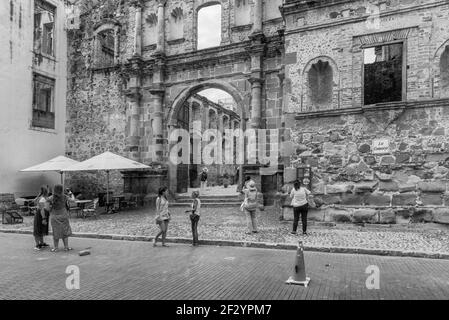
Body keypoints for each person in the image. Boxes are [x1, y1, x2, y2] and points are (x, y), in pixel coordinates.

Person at [46, 184, 73, 252]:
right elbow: (73, 200)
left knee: (56, 231)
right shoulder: (65, 196)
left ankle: (56, 248)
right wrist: (71, 193)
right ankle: (66, 247)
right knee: (65, 231)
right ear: (62, 189)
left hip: (54, 216)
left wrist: (51, 208)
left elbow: (47, 208)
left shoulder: (50, 198)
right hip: (64, 215)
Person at [32, 186, 50, 251]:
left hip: (41, 214)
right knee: (37, 229)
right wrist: (44, 218)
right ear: (46, 191)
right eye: (48, 190)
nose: (49, 191)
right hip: (40, 215)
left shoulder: (42, 198)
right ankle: (37, 245)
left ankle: (41, 243)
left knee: (41, 229)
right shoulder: (42, 199)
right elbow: (41, 209)